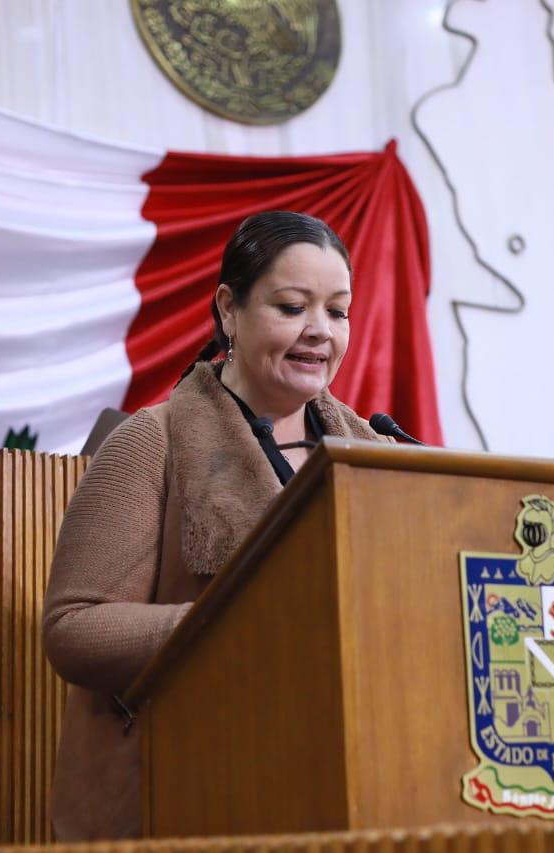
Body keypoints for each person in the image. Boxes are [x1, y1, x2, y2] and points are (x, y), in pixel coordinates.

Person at [40, 211, 386, 841]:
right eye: (291, 306)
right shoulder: (151, 441)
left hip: (340, 786)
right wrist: (247, 623)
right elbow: (74, 627)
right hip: (181, 786)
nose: (320, 332)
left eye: (337, 312)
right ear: (229, 308)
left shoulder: (373, 455)